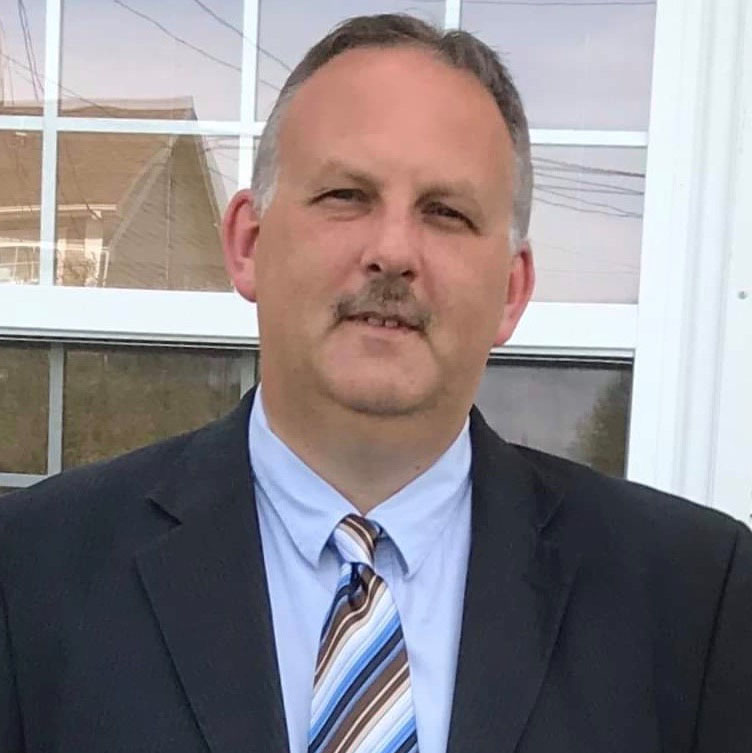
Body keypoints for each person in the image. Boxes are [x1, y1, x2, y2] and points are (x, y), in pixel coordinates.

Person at [1, 13, 750, 753]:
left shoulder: (694, 599)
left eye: (446, 212)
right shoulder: (29, 574)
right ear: (248, 243)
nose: (392, 251)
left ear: (513, 289)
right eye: (345, 196)